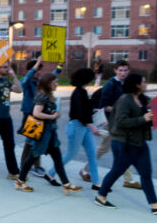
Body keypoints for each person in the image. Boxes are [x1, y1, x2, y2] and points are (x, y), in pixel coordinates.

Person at [94, 73, 157, 214]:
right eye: (144, 81)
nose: (146, 84)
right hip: (124, 143)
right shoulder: (125, 100)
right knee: (117, 171)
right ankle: (101, 195)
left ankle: (155, 204)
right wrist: (142, 119)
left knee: (146, 173)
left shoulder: (144, 100)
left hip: (139, 142)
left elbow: (149, 119)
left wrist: (155, 117)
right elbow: (120, 121)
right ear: (137, 85)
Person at [15, 73, 83, 194]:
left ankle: (66, 183)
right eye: (54, 82)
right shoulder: (42, 96)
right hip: (43, 133)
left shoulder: (49, 95)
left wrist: (54, 114)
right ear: (47, 84)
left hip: (50, 133)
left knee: (57, 159)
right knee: (32, 157)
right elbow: (36, 113)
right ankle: (20, 180)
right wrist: (52, 116)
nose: (57, 84)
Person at [82, 60, 139, 189]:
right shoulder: (110, 85)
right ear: (115, 71)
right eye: (120, 70)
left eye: (125, 70)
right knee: (106, 149)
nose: (123, 73)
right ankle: (85, 170)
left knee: (122, 149)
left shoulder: (126, 84)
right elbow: (103, 106)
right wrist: (121, 110)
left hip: (121, 122)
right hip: (112, 123)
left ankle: (128, 179)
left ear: (128, 71)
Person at [19, 58, 63, 186]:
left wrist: (59, 67)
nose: (39, 72)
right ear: (31, 70)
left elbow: (51, 77)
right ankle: (25, 166)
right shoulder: (27, 82)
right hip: (30, 114)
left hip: (41, 114)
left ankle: (33, 165)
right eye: (37, 70)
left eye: (40, 70)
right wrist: (36, 64)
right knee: (30, 141)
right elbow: (25, 79)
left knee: (38, 139)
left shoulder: (39, 82)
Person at [62, 67, 101, 191]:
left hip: (83, 127)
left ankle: (96, 183)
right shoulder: (79, 92)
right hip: (77, 126)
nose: (91, 81)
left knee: (92, 154)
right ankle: (50, 174)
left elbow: (85, 109)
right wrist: (92, 126)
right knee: (70, 154)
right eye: (91, 78)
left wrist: (94, 110)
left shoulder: (82, 92)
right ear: (86, 79)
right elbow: (80, 113)